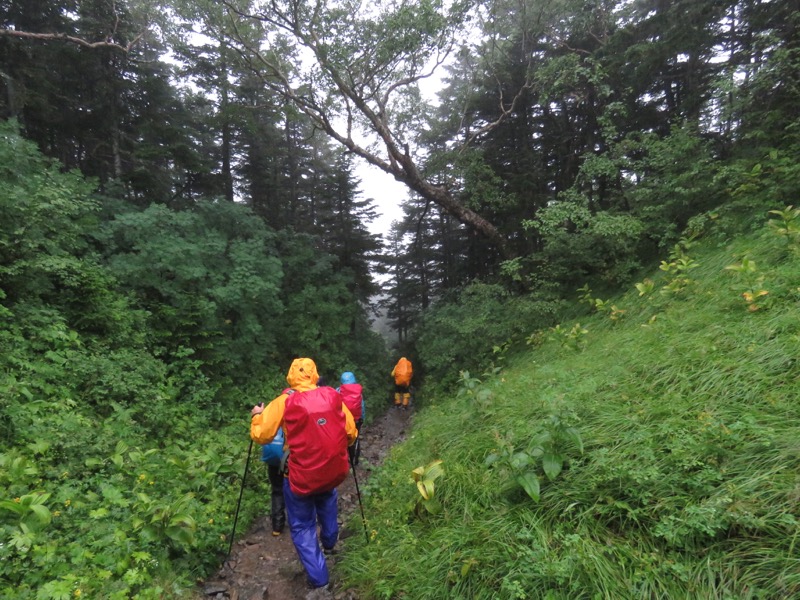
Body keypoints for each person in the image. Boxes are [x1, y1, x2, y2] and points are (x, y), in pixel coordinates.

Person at [250, 358, 357, 596]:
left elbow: (262, 435)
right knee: (328, 501)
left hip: (301, 475)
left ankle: (319, 579)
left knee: (302, 526)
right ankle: (329, 543)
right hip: (330, 471)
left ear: (291, 375)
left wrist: (257, 416)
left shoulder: (285, 400)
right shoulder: (332, 396)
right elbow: (350, 432)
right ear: (315, 374)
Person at [337, 371, 364, 466]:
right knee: (355, 438)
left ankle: (343, 461)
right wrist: (362, 418)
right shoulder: (358, 391)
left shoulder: (338, 391)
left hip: (342, 420)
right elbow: (362, 406)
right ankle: (355, 460)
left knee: (342, 440)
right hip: (356, 419)